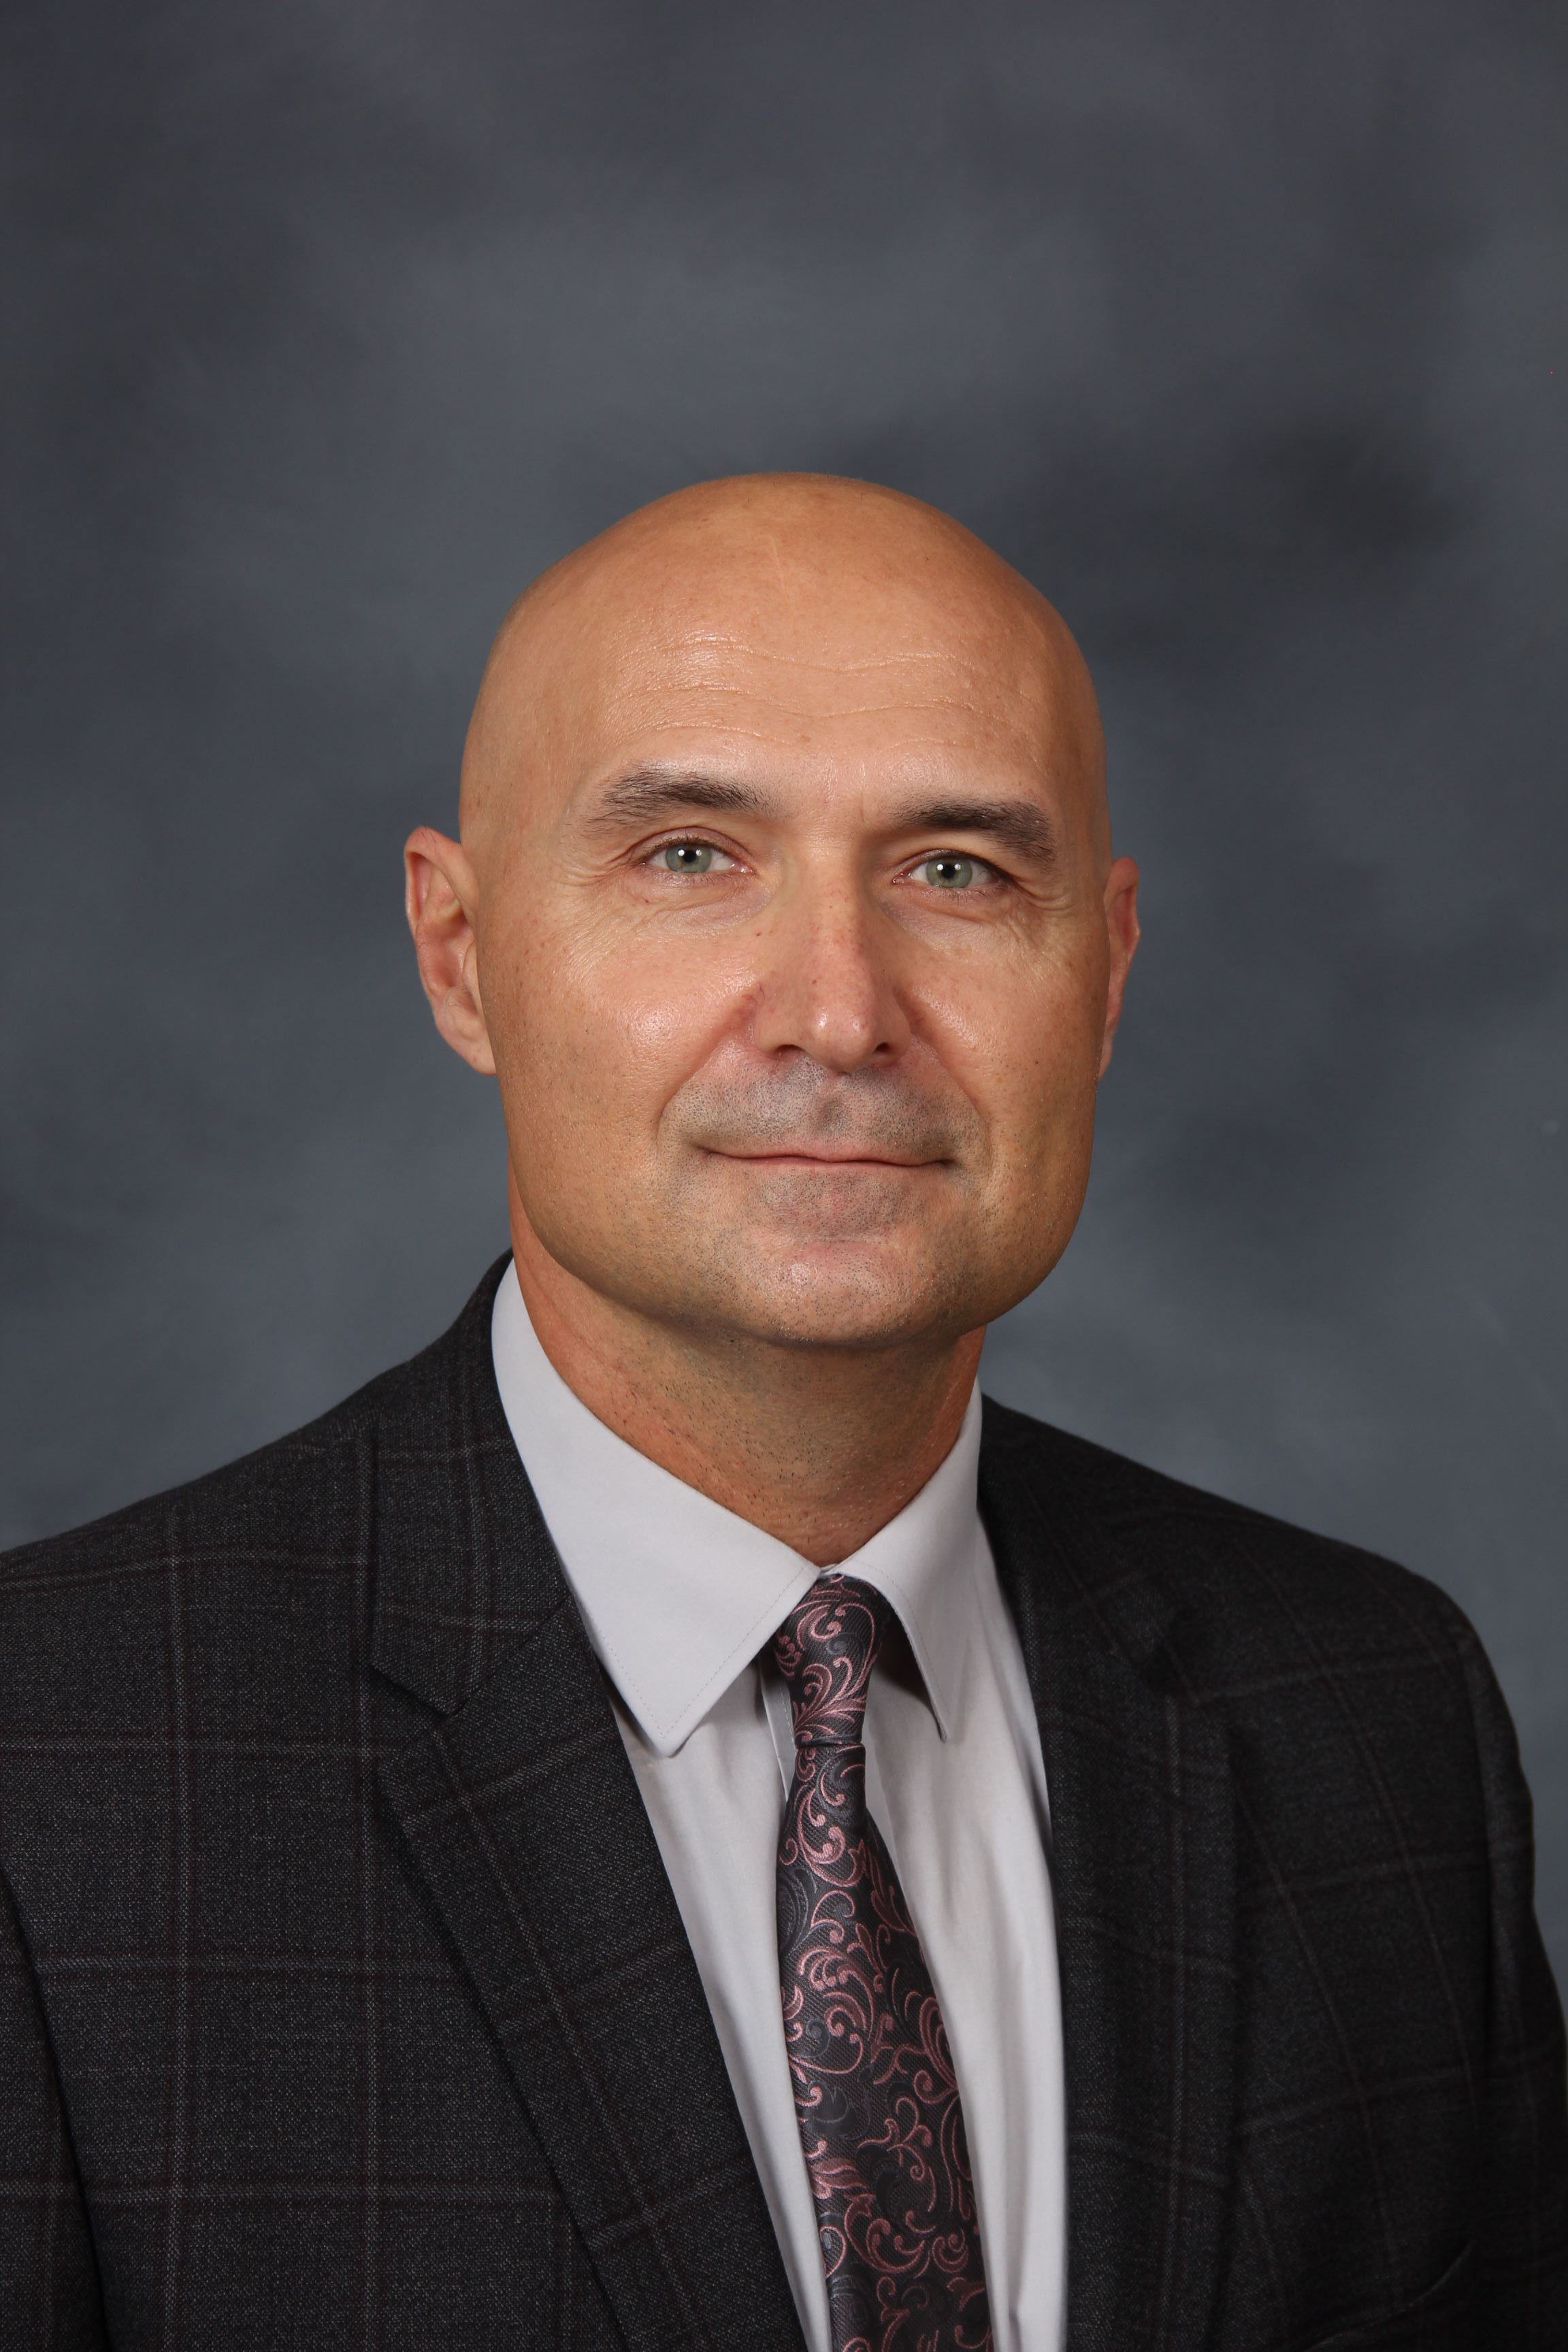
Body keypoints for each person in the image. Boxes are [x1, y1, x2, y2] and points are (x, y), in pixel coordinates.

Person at [1, 474, 1563, 2352]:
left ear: (1110, 973)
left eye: (957, 873)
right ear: (460, 954)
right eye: (688, 855)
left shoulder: (1371, 1717)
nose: (838, 1011)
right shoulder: (52, 1776)